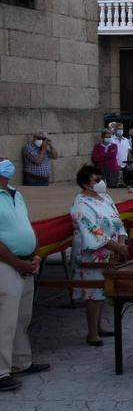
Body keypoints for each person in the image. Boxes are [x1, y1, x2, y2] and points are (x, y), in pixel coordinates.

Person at [0, 154, 48, 393]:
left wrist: (36, 254)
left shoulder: (15, 194)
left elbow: (27, 225)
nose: (7, 164)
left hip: (26, 261)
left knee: (22, 315)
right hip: (5, 264)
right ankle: (1, 371)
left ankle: (21, 361)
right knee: (5, 318)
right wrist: (17, 264)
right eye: (2, 161)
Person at [70, 164, 127, 346]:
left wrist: (121, 242)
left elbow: (117, 221)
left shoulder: (105, 198)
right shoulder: (81, 205)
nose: (100, 182)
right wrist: (116, 247)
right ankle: (92, 332)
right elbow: (92, 230)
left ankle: (100, 325)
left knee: (104, 289)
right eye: (96, 179)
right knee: (93, 293)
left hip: (111, 250)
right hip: (93, 253)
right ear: (86, 184)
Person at [109, 122, 133, 187]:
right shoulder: (111, 139)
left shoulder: (126, 140)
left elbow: (129, 152)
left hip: (125, 165)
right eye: (118, 129)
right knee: (115, 182)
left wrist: (129, 162)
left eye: (121, 129)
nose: (120, 130)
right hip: (115, 164)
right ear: (115, 130)